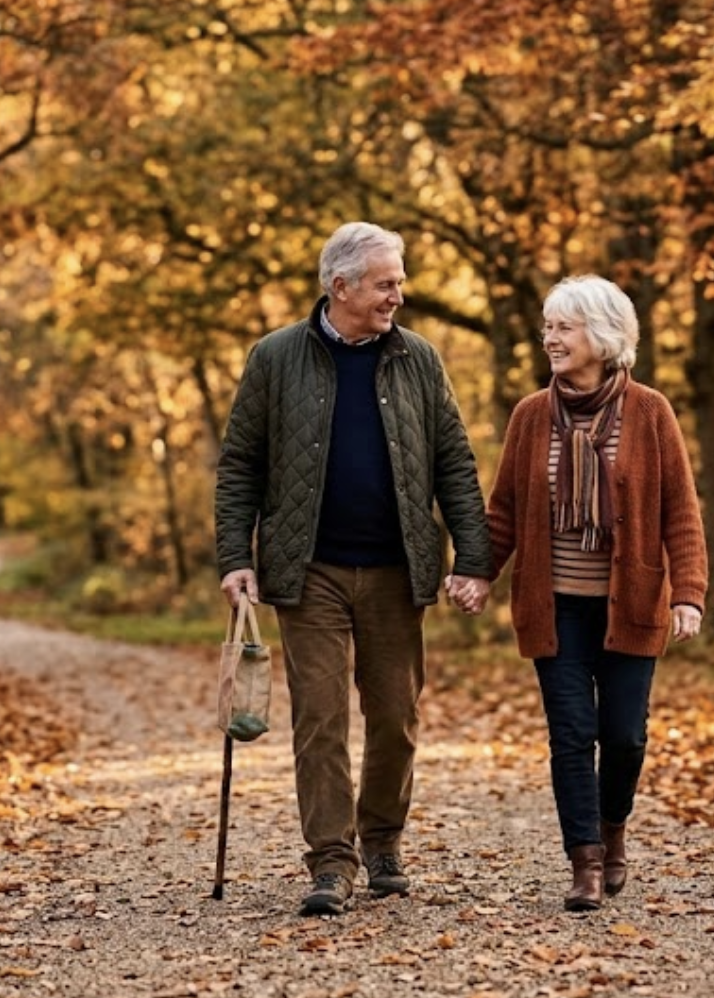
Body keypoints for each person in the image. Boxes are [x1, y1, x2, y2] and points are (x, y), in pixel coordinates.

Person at [214, 221, 493, 917]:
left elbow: (454, 462)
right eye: (386, 283)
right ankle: (331, 862)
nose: (399, 295)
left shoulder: (419, 360)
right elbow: (240, 465)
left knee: (396, 717)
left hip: (398, 569)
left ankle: (383, 841)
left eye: (398, 281)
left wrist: (474, 557)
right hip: (308, 571)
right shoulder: (276, 357)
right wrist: (233, 558)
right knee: (321, 718)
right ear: (340, 287)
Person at [475, 274, 709, 912]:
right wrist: (476, 572)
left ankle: (613, 832)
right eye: (548, 327)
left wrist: (687, 593)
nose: (550, 338)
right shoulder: (529, 417)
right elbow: (504, 512)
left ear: (603, 338)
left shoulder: (650, 412)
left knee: (626, 735)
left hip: (630, 603)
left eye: (564, 328)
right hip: (555, 606)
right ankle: (584, 861)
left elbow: (679, 512)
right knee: (571, 734)